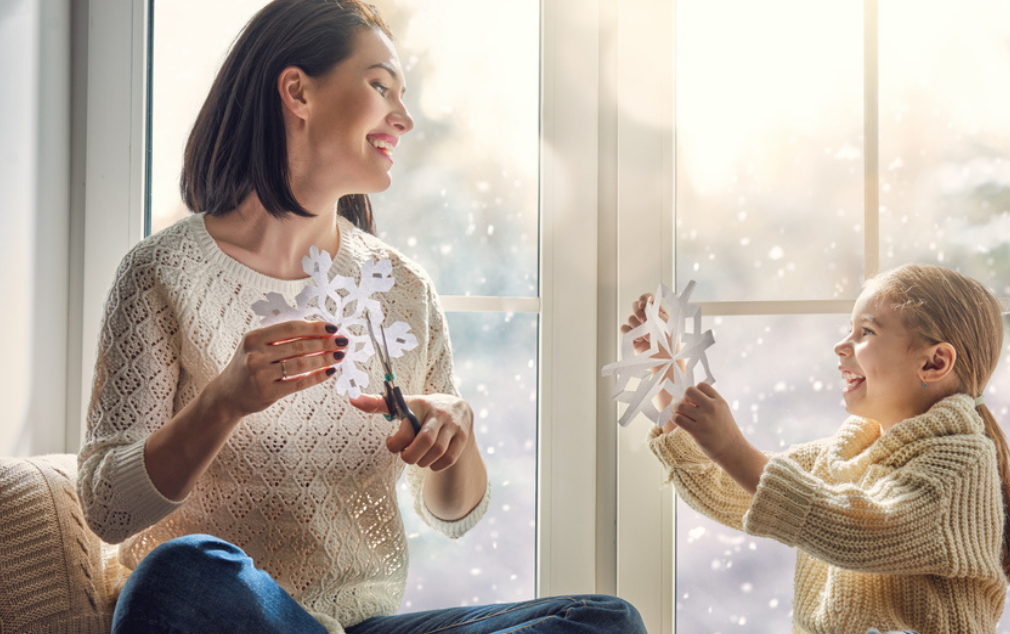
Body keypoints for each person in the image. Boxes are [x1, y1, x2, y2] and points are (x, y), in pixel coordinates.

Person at [77, 1, 646, 633]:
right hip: (227, 614)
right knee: (178, 573)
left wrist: (457, 438)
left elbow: (451, 515)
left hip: (361, 624)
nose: (402, 118)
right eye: (381, 87)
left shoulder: (401, 288)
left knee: (603, 620)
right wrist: (224, 401)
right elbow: (105, 506)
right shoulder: (160, 273)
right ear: (297, 91)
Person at [623, 264, 1010, 634]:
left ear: (934, 363)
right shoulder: (850, 450)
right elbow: (726, 489)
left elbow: (858, 529)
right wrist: (667, 375)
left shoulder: (961, 464)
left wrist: (732, 447)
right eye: (849, 329)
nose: (841, 345)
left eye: (866, 332)